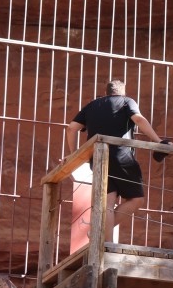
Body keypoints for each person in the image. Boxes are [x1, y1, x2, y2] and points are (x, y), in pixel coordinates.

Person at [66, 79, 165, 242]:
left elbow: (71, 129)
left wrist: (73, 154)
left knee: (107, 205)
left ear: (106, 93)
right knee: (136, 199)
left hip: (97, 159)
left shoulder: (92, 105)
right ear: (122, 92)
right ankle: (99, 231)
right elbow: (139, 119)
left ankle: (106, 246)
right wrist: (158, 141)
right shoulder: (127, 101)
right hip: (122, 156)